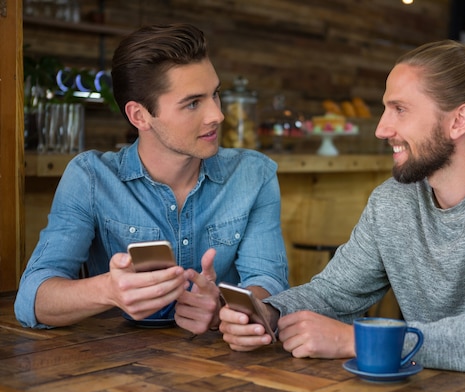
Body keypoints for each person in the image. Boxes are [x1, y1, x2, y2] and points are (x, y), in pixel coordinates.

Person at [219, 31, 465, 379]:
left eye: (400, 109)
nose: (381, 129)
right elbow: (334, 293)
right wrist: (266, 312)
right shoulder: (393, 201)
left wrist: (356, 341)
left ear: (459, 120)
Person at [15, 23, 289, 334]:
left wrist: (223, 311)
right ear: (139, 116)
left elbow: (270, 284)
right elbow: (31, 298)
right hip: (111, 369)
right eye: (193, 103)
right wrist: (107, 289)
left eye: (215, 94)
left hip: (222, 366)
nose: (217, 115)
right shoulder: (90, 178)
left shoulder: (254, 174)